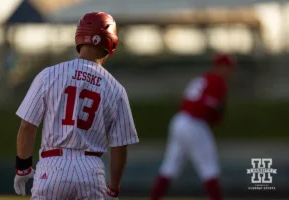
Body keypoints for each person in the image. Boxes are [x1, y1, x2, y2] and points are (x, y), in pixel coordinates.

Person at [13, 12, 139, 200]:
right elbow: (120, 147)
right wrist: (113, 190)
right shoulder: (116, 89)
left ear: (79, 37)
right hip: (91, 170)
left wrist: (23, 168)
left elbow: (27, 125)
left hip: (52, 166)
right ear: (111, 44)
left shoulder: (49, 75)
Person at [150, 54, 236, 200]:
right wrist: (217, 118)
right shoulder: (217, 82)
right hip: (194, 123)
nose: (229, 71)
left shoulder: (204, 78)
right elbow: (207, 110)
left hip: (179, 121)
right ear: (220, 67)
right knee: (210, 168)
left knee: (170, 166)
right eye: (227, 67)